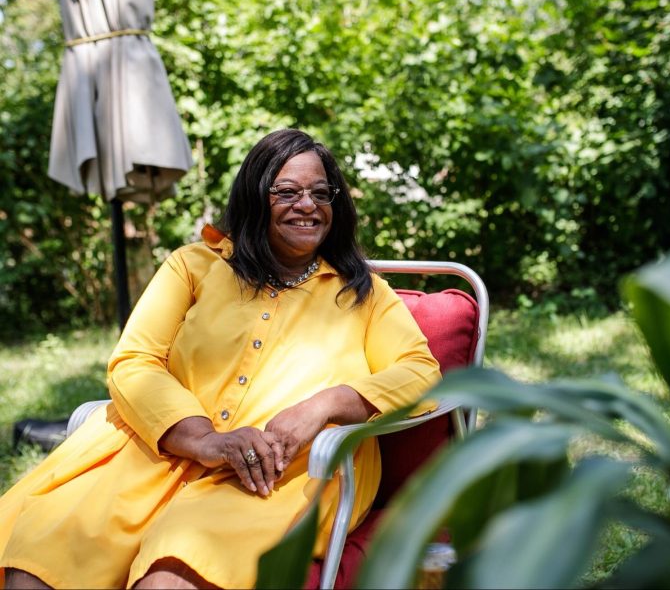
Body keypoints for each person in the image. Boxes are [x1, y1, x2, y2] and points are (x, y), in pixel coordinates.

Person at [0, 129, 441, 589]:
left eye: (319, 193)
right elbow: (134, 359)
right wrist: (204, 439)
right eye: (287, 192)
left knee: (173, 578)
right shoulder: (193, 266)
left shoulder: (363, 294)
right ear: (254, 198)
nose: (307, 205)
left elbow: (421, 374)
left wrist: (325, 405)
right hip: (157, 450)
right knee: (44, 560)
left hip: (279, 473)